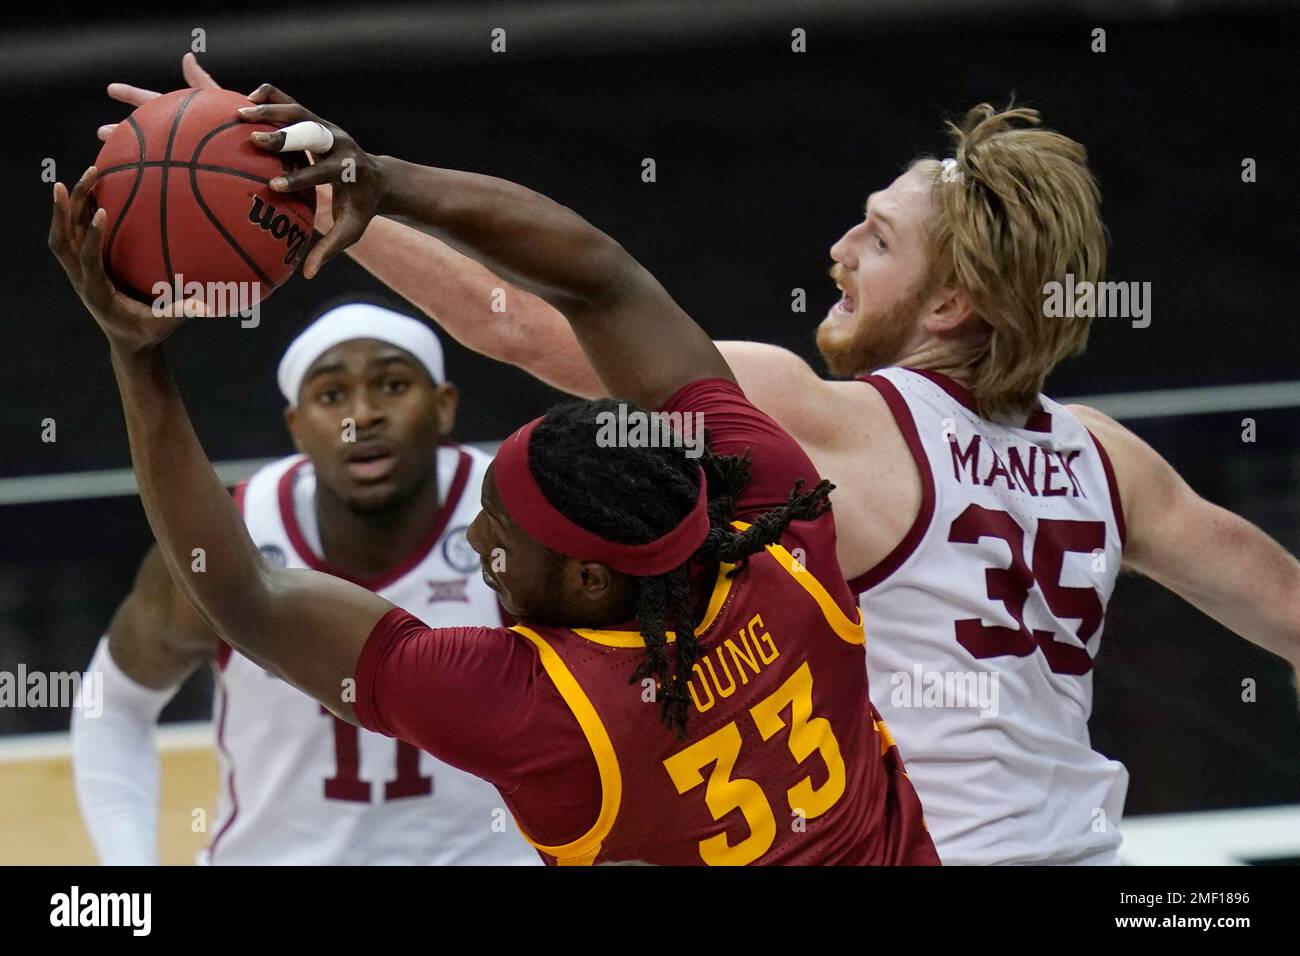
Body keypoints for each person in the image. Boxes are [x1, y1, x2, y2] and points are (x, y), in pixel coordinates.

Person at [275, 99, 1299, 864]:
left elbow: (525, 325)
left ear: (949, 305)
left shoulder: (828, 417)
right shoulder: (1105, 457)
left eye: (877, 238)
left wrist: (349, 208)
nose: (839, 251)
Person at [49, 86, 939, 866]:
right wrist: (382, 180)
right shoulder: (776, 521)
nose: (474, 542)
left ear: (589, 578)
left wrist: (134, 354)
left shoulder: (548, 711)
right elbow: (604, 283)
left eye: (499, 541)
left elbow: (245, 596)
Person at [71, 299, 540, 865]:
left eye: (392, 385)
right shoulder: (231, 536)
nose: (362, 415)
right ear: (296, 425)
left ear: (443, 406)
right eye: (331, 395)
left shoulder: (519, 526)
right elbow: (112, 702)